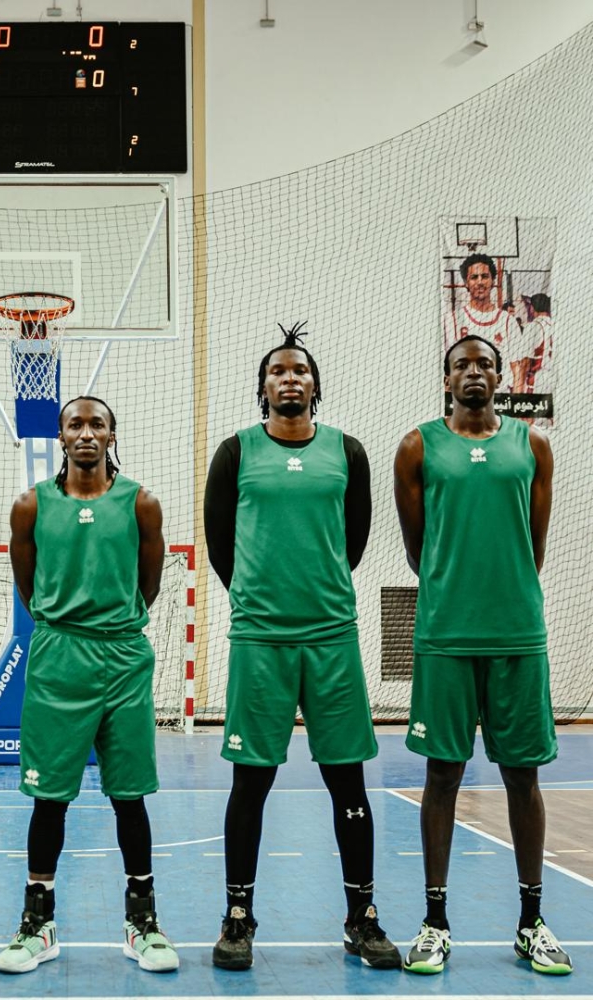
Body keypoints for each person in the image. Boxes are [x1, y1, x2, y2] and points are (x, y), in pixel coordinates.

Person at [203, 324, 400, 972]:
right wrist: (261, 599)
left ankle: (361, 917)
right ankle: (238, 917)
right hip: (262, 636)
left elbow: (356, 542)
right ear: (263, 389)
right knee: (250, 784)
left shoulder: (350, 453)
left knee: (347, 779)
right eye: (278, 372)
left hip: (331, 636)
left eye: (300, 371)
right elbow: (220, 545)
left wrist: (315, 594)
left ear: (316, 386)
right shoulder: (236, 453)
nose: (290, 379)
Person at [394, 334, 571, 976]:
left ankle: (532, 922)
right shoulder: (418, 447)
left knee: (523, 777)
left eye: (484, 363)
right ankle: (436, 921)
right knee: (442, 775)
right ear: (447, 379)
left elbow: (535, 545)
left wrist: (502, 591)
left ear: (501, 377)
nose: (474, 371)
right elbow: (418, 550)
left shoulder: (533, 445)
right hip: (445, 635)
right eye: (461, 364)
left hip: (517, 635)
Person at [0, 396, 179, 975]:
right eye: (75, 423)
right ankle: (38, 924)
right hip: (57, 655)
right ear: (59, 434)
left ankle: (142, 922)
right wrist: (68, 625)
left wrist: (112, 624)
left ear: (112, 435)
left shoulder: (141, 503)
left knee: (130, 795)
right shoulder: (30, 505)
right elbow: (27, 586)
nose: (85, 433)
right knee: (50, 796)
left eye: (97, 423)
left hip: (122, 655)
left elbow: (147, 584)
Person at [443, 254, 515, 392]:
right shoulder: (452, 320)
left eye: (485, 276)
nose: (480, 282)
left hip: (500, 399)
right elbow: (446, 368)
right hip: (465, 400)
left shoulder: (507, 321)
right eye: (474, 277)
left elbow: (518, 368)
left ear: (493, 280)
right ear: (466, 283)